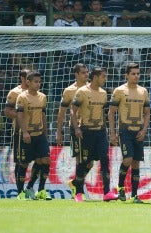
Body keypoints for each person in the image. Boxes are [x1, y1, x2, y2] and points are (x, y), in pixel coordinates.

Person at [70, 67, 119, 202]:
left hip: (100, 132)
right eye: (103, 76)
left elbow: (102, 113)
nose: (105, 79)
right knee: (84, 162)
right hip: (86, 131)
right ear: (96, 77)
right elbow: (73, 111)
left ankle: (107, 192)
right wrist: (76, 128)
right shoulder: (82, 92)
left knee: (105, 160)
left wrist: (106, 129)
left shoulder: (103, 93)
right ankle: (78, 192)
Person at [108, 62, 150, 203]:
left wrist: (144, 130)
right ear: (126, 75)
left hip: (138, 131)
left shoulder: (143, 91)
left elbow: (147, 113)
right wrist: (113, 133)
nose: (136, 76)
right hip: (125, 130)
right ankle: (120, 188)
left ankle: (134, 195)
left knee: (136, 163)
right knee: (127, 159)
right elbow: (111, 113)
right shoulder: (119, 91)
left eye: (138, 73)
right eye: (133, 73)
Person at [15, 72, 51, 201]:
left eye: (39, 81)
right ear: (28, 82)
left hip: (40, 134)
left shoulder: (42, 97)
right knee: (24, 163)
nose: (38, 84)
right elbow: (19, 115)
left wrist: (46, 134)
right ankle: (20, 192)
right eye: (35, 81)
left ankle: (40, 190)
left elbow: (43, 116)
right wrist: (24, 132)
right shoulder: (22, 97)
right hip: (27, 134)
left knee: (45, 160)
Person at [55, 63, 89, 195]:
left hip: (91, 128)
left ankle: (75, 182)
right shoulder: (69, 91)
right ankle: (79, 191)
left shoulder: (92, 88)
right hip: (76, 128)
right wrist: (59, 131)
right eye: (83, 72)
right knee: (80, 159)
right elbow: (62, 112)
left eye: (87, 72)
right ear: (76, 74)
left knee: (90, 162)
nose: (87, 74)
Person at [5, 69, 38, 200]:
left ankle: (30, 186)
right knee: (21, 162)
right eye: (27, 77)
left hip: (36, 132)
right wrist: (22, 117)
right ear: (23, 79)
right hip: (19, 132)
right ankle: (20, 192)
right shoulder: (15, 92)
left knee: (42, 160)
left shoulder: (37, 93)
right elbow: (7, 111)